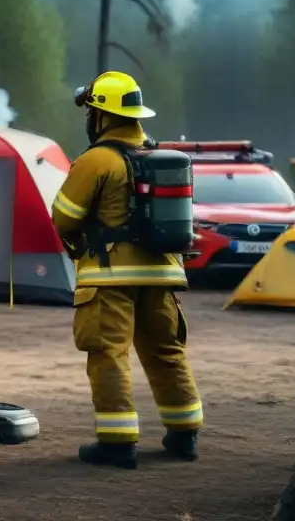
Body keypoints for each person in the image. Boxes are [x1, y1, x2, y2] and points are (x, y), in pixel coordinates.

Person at [52, 70, 203, 470]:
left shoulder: (97, 160)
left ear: (102, 115)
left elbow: (64, 216)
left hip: (110, 277)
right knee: (166, 351)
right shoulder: (158, 158)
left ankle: (117, 443)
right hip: (163, 275)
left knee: (109, 354)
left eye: (91, 112)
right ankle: (185, 435)